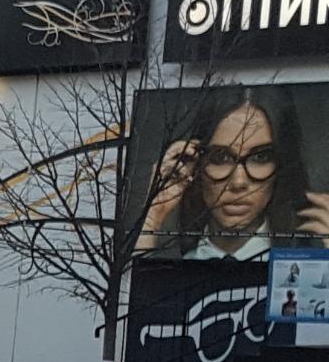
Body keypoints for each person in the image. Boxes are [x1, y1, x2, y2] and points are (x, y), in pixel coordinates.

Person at [136, 89, 329, 261]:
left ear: (281, 165)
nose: (238, 182)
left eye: (260, 157)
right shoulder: (172, 265)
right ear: (196, 163)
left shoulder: (305, 262)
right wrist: (152, 215)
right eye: (220, 157)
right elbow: (125, 292)